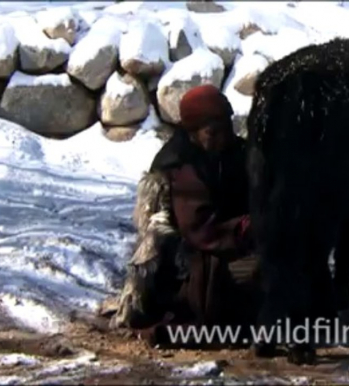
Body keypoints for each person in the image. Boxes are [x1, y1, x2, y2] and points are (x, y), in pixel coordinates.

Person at [108, 84, 261, 348]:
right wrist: (251, 226)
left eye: (227, 127)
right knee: (263, 273)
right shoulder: (181, 167)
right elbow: (200, 230)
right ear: (193, 133)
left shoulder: (230, 152)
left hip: (233, 245)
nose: (224, 136)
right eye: (213, 131)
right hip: (190, 265)